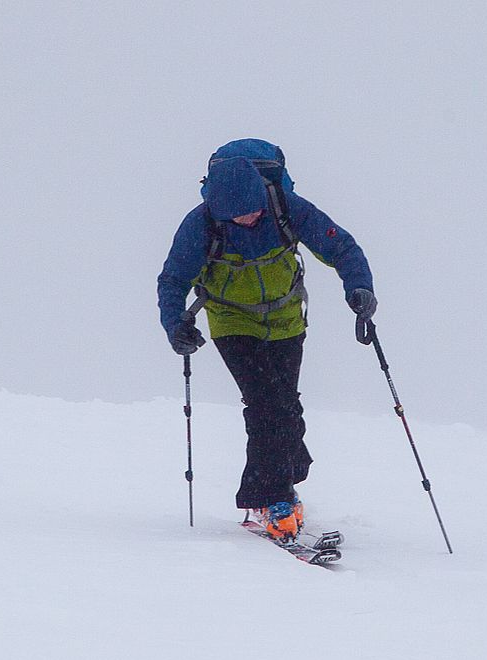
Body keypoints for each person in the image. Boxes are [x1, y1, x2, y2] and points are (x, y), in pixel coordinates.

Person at [157, 139, 377, 542]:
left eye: (255, 208)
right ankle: (270, 497)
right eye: (240, 215)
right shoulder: (200, 225)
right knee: (267, 406)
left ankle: (287, 474)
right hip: (231, 321)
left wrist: (359, 289)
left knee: (286, 406)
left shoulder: (287, 208)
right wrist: (176, 325)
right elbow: (173, 280)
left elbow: (340, 247)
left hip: (286, 319)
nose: (251, 217)